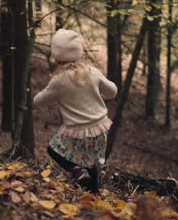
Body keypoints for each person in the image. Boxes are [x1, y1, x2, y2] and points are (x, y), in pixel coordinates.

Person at [33, 29, 117, 193]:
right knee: (91, 162)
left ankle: (78, 171)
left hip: (76, 131)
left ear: (56, 56)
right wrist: (100, 94)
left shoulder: (59, 81)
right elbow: (112, 91)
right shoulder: (92, 72)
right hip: (99, 128)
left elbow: (39, 101)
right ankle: (93, 194)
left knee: (53, 150)